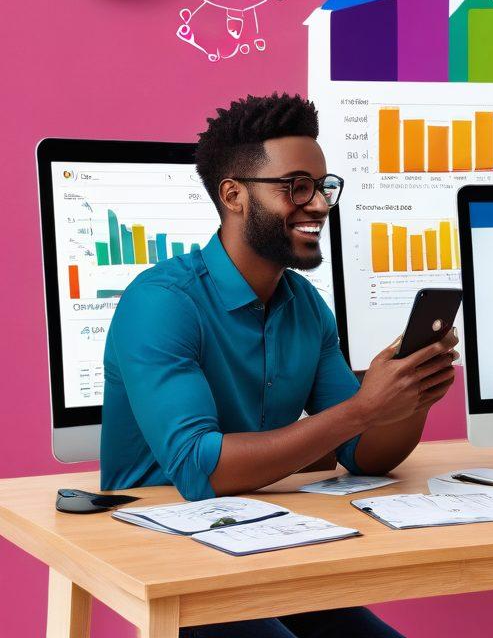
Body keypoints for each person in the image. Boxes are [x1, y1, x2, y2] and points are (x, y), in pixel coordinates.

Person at [102, 93, 456, 638]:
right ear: (234, 195)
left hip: (268, 541)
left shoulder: (305, 305)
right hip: (168, 554)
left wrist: (411, 395)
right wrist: (364, 409)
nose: (319, 205)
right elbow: (202, 469)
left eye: (323, 186)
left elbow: (364, 455)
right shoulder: (161, 302)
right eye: (296, 187)